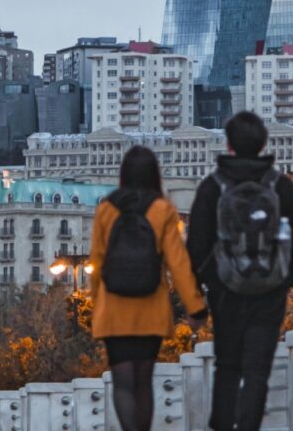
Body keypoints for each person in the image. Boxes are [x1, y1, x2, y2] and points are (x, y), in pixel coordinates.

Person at [187, 110, 293, 431]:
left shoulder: (213, 187)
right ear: (264, 143)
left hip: (226, 289)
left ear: (228, 145)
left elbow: (196, 245)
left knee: (227, 366)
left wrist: (204, 286)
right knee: (257, 370)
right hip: (270, 289)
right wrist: (287, 279)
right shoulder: (281, 186)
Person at [89, 145, 207, 431]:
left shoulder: (106, 208)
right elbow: (177, 262)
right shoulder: (162, 209)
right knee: (143, 380)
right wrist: (195, 306)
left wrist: (97, 305)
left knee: (122, 381)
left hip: (113, 310)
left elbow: (97, 261)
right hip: (150, 309)